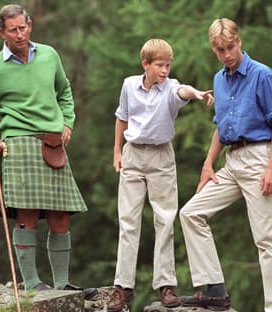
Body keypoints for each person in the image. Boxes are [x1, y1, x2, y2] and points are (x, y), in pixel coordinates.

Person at [0, 4, 97, 299]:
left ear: (31, 25)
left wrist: (67, 122)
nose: (19, 34)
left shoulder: (50, 55)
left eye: (23, 27)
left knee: (61, 215)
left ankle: (62, 285)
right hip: (19, 143)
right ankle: (31, 283)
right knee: (26, 215)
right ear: (1, 32)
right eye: (12, 30)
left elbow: (64, 92)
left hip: (52, 142)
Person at [179, 18, 272, 312]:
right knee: (191, 213)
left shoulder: (262, 75)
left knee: (267, 238)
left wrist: (271, 166)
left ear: (239, 42)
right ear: (214, 50)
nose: (226, 54)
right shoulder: (219, 79)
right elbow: (221, 126)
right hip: (232, 161)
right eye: (220, 50)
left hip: (259, 159)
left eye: (230, 47)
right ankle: (214, 289)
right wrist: (207, 164)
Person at [107, 38, 214, 312]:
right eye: (160, 65)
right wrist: (118, 151)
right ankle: (123, 287)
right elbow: (122, 117)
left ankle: (166, 285)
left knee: (165, 220)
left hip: (161, 157)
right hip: (132, 154)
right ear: (146, 64)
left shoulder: (170, 89)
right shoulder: (129, 85)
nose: (165, 70)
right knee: (128, 222)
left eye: (168, 65)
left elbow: (183, 91)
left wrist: (199, 94)